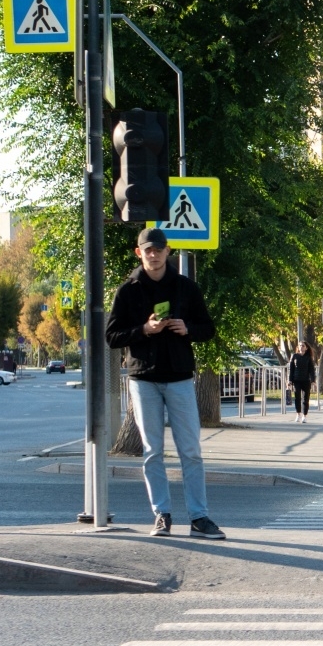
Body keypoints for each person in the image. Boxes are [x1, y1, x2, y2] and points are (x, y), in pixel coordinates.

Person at [105, 227, 225, 540]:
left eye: (159, 249)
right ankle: (162, 515)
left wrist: (188, 328)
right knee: (152, 451)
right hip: (143, 379)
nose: (154, 254)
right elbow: (112, 336)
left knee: (191, 451)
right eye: (148, 250)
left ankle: (199, 518)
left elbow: (207, 328)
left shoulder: (185, 287)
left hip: (180, 377)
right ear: (139, 253)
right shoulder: (128, 291)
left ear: (167, 251)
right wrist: (144, 329)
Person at [288, 341, 315, 423]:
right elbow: (291, 369)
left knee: (306, 399)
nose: (301, 347)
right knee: (297, 398)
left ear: (306, 348)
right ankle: (298, 414)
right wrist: (290, 380)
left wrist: (313, 381)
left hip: (306, 380)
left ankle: (304, 415)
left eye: (303, 346)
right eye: (300, 346)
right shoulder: (294, 356)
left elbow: (311, 370)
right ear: (298, 347)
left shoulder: (309, 357)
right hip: (297, 380)